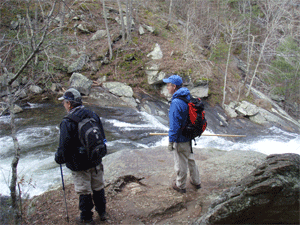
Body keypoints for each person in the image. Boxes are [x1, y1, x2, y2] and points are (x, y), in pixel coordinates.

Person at [55, 88, 107, 224]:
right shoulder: (93, 115)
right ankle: (102, 212)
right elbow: (102, 137)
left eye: (64, 103)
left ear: (69, 104)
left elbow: (64, 147)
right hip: (95, 159)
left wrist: (59, 158)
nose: (64, 105)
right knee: (98, 186)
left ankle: (86, 218)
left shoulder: (67, 121)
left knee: (84, 190)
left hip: (79, 163)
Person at [163, 75, 201, 194]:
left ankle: (180, 185)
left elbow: (174, 126)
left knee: (180, 163)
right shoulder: (187, 96)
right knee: (190, 159)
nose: (167, 87)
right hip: (189, 135)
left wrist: (171, 141)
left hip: (180, 138)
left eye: (168, 85)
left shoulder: (176, 102)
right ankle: (196, 181)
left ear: (174, 87)